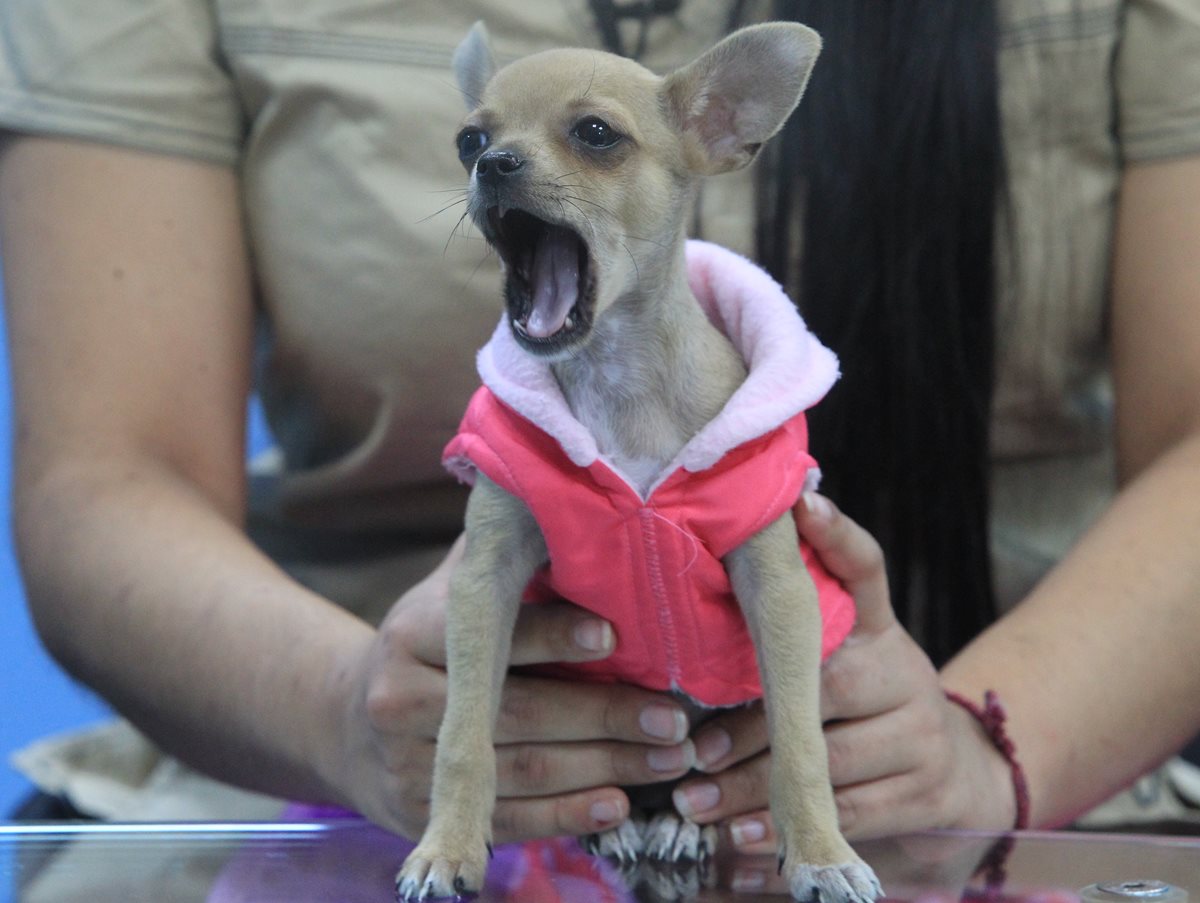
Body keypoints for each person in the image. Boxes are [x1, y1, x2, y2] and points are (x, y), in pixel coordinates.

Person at [1, 0, 1199, 860]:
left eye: (588, 139)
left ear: (726, 127)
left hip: (1034, 754)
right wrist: (340, 714)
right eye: (482, 147)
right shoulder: (513, 421)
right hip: (332, 790)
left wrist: (982, 749)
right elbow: (107, 476)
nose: (502, 169)